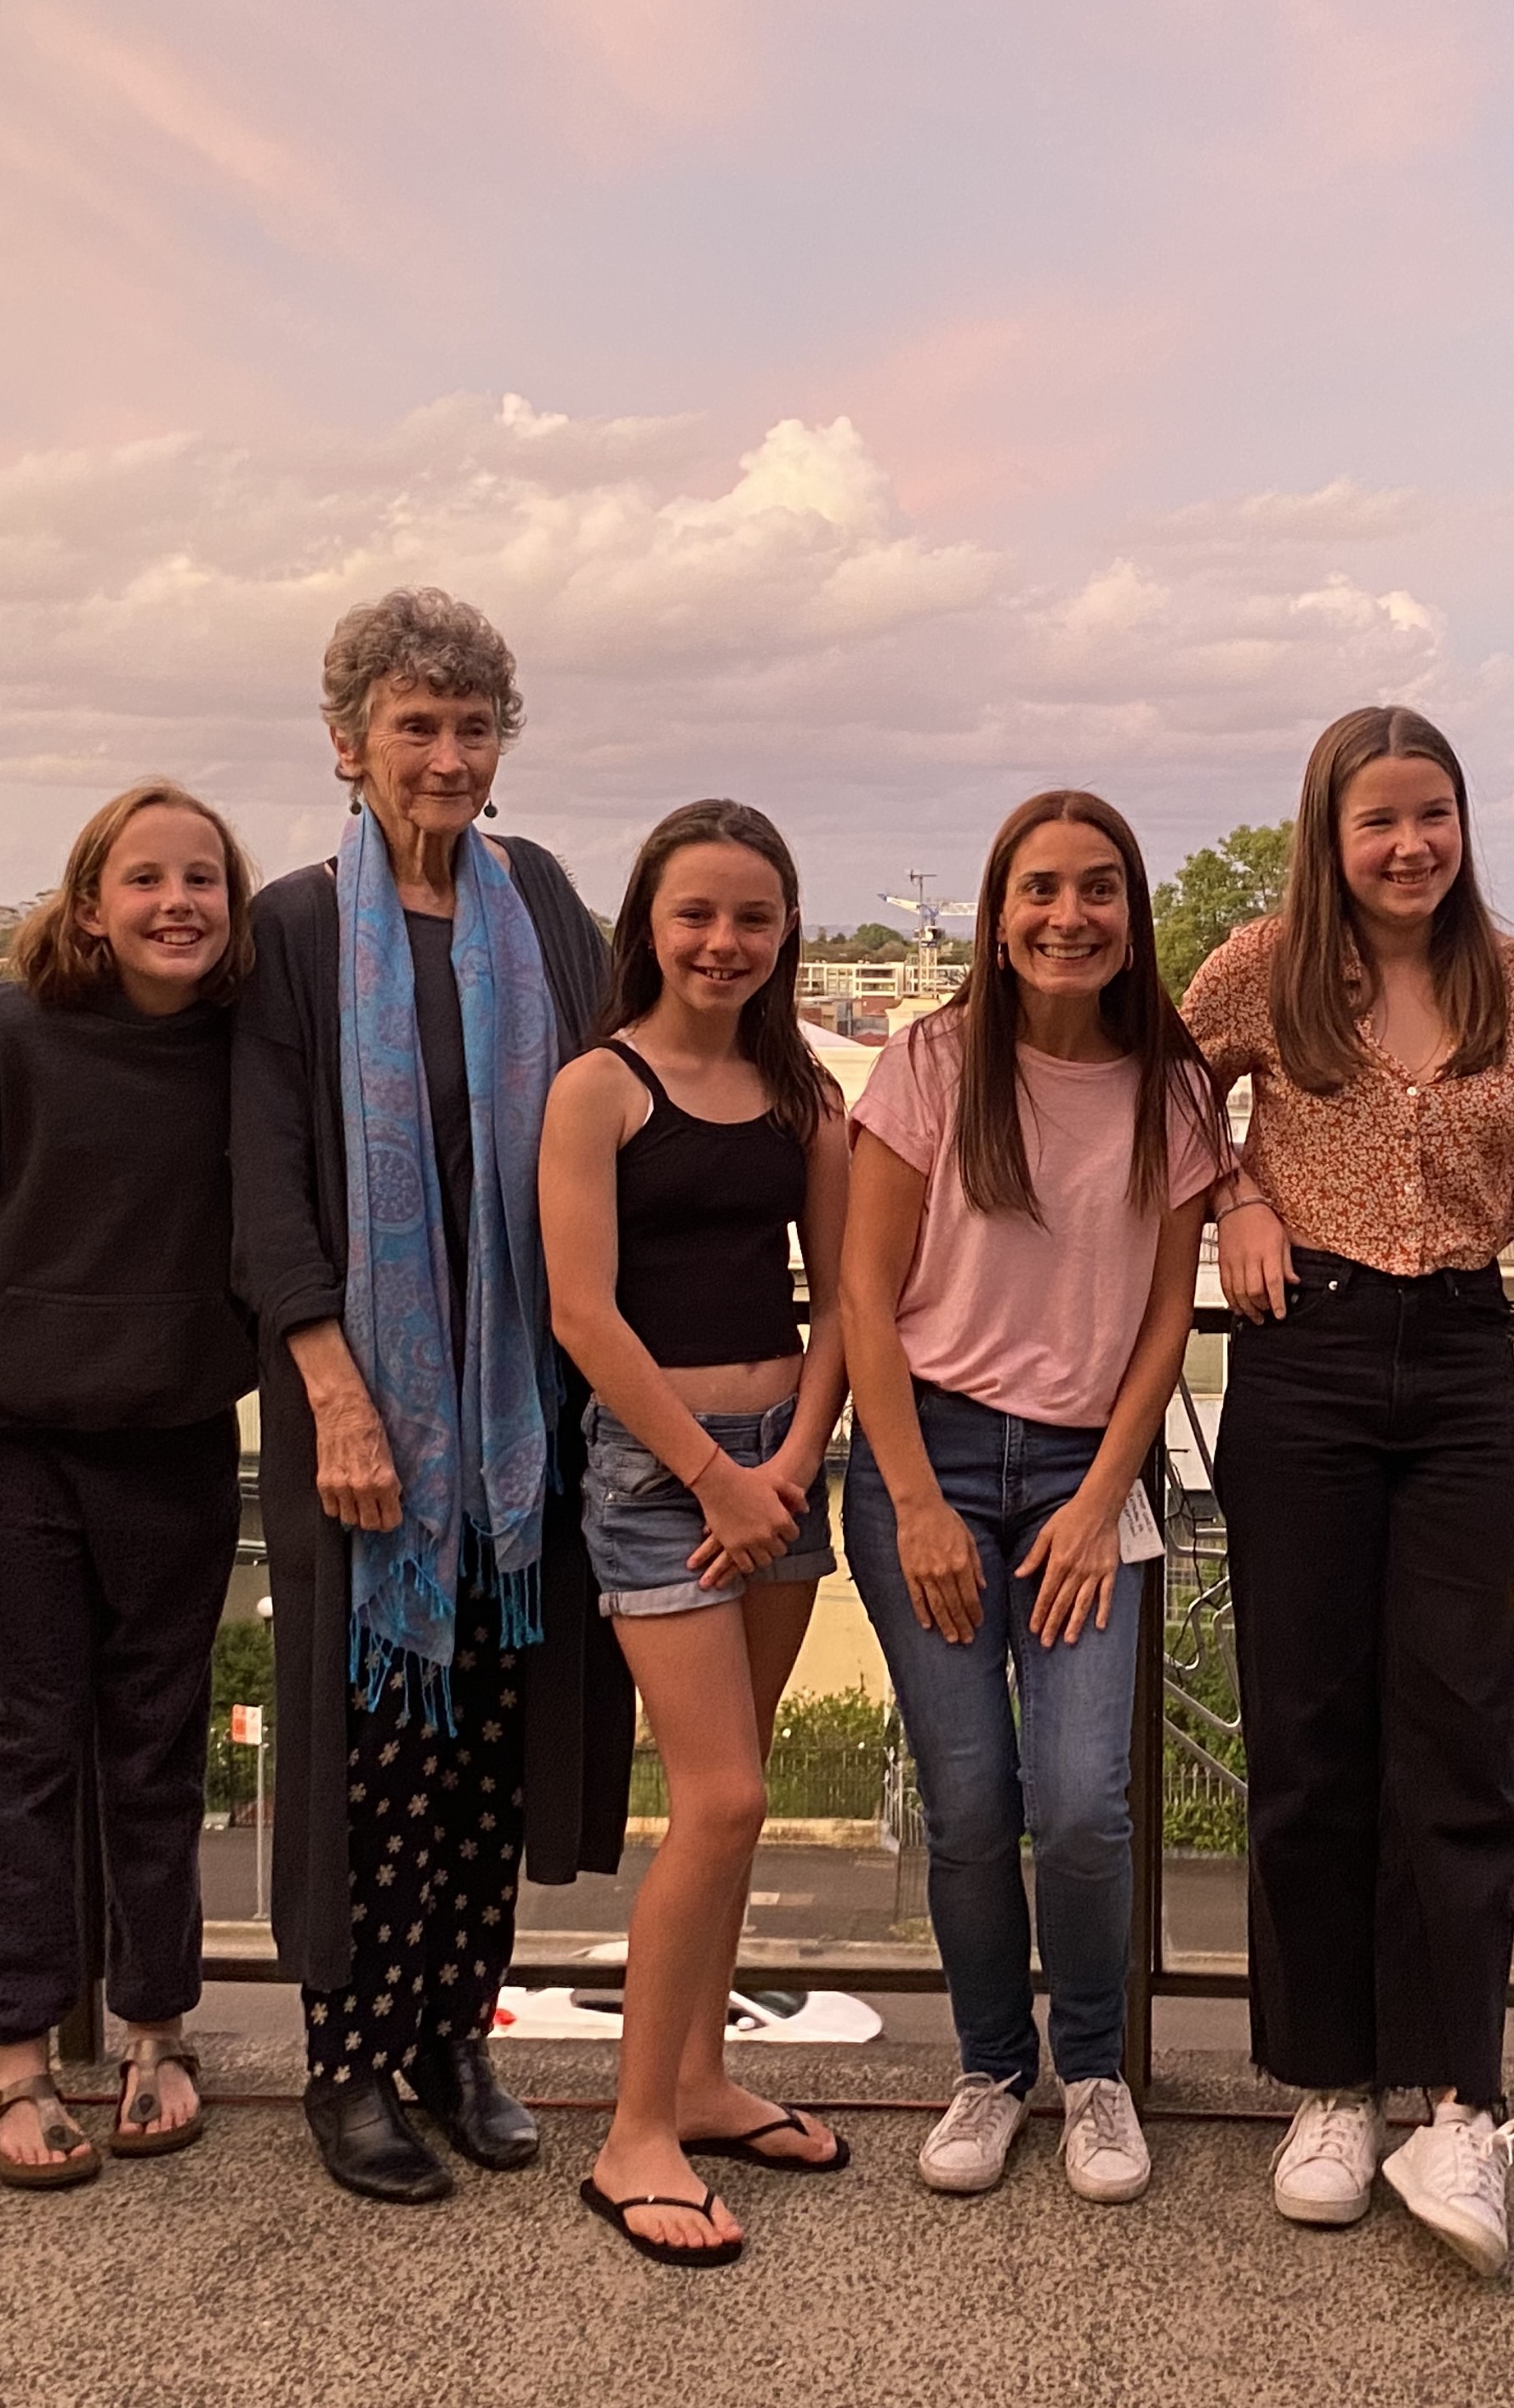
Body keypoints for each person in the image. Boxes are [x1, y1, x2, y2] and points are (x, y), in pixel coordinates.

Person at [1182, 705, 1514, 2277]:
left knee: (1458, 1725)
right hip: (1302, 1352)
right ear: (1330, 831)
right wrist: (1234, 1191)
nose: (1409, 845)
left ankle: (1460, 2099)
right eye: (1378, 821)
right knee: (1306, 1728)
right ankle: (1322, 2085)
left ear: (1464, 819)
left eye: (1432, 813)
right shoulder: (1262, 967)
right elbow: (1162, 1097)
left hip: (1456, 1361)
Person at [233, 588, 631, 2203]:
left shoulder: (540, 898)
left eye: (473, 728)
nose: (449, 755)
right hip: (364, 1392)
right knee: (364, 1738)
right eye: (416, 726)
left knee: (487, 1729)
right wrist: (330, 1386)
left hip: (523, 1396)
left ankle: (457, 2034)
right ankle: (350, 2061)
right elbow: (260, 1171)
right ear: (350, 746)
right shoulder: (294, 927)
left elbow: (630, 1077)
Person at [840, 790, 1221, 2212]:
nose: (1071, 917)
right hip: (925, 1459)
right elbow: (867, 1303)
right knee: (966, 1797)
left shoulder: (1172, 1091)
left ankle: (1099, 2071)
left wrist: (1103, 1490)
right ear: (998, 918)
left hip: (1086, 1473)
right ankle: (992, 2071)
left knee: (1078, 1804)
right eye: (1042, 891)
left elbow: (1170, 1313)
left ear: (1132, 915)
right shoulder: (932, 1066)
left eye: (1100, 890)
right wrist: (917, 1499)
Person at [541, 801, 853, 2267]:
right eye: (697, 915)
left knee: (743, 1785)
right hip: (658, 1473)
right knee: (719, 1799)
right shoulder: (598, 1089)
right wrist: (712, 1475)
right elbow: (582, 1314)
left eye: (753, 918)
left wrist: (790, 1457)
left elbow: (849, 1299)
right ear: (648, 926)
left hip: (784, 1466)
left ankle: (705, 2083)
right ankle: (630, 2135)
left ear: (785, 932)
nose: (724, 943)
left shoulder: (806, 1098)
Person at [0, 780, 263, 2187]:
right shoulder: (14, 1031)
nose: (177, 902)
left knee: (156, 1742)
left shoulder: (247, 1043)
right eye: (145, 879)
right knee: (29, 1743)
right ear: (91, 904)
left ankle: (154, 2028)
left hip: (181, 1430)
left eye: (204, 878)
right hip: (22, 1434)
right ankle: (15, 2053)